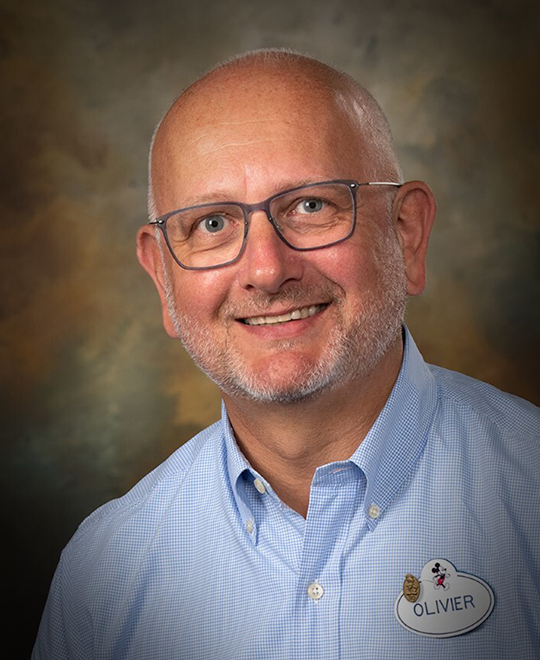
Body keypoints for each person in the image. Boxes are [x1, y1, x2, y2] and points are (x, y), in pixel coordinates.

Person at [33, 49, 540, 660]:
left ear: (406, 234)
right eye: (213, 224)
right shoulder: (102, 577)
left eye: (311, 205)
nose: (268, 270)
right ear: (163, 278)